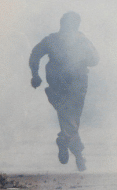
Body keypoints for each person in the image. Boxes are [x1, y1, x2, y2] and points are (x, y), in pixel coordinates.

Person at [29, 11, 99, 171]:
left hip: (56, 82)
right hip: (78, 83)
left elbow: (35, 55)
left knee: (66, 116)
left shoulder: (51, 39)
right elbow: (95, 60)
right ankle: (70, 144)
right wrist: (81, 60)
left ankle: (74, 149)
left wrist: (35, 75)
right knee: (72, 117)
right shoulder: (82, 40)